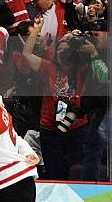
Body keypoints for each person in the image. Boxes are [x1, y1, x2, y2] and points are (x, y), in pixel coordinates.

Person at [21, 19, 103, 179]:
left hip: (77, 128)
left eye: (66, 50)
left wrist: (93, 50)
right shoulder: (48, 67)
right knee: (55, 173)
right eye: (59, 50)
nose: (62, 53)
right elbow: (26, 54)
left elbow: (103, 74)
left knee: (77, 172)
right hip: (50, 130)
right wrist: (36, 31)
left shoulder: (83, 68)